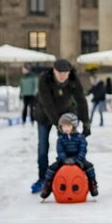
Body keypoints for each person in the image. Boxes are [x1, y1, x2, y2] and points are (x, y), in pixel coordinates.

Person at [31, 58, 90, 194]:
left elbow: (81, 100)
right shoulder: (44, 79)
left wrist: (86, 122)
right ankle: (42, 179)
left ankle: (70, 177)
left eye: (65, 73)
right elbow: (47, 104)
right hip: (44, 115)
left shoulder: (74, 79)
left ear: (69, 72)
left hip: (66, 113)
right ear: (54, 70)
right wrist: (59, 125)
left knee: (71, 145)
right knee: (43, 147)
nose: (62, 76)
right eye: (59, 73)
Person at [39, 113, 98, 198]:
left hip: (78, 158)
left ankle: (92, 185)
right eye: (63, 126)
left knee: (89, 166)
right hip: (63, 159)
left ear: (73, 126)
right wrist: (64, 159)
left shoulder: (80, 137)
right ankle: (47, 186)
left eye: (68, 126)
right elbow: (60, 151)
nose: (65, 128)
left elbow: (83, 149)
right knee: (52, 168)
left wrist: (79, 159)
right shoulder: (61, 139)